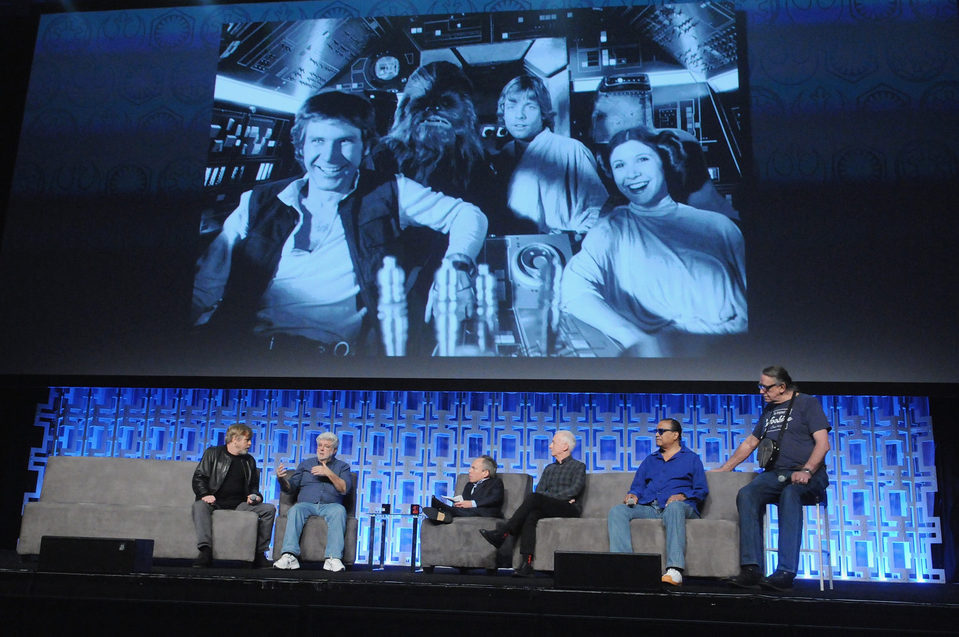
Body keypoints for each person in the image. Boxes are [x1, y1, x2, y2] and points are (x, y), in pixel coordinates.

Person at [192, 90, 487, 356]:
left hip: (329, 360)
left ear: (365, 147)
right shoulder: (257, 201)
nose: (330, 157)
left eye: (344, 141)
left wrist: (458, 264)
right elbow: (203, 290)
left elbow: (468, 215)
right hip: (244, 353)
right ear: (301, 146)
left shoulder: (390, 192)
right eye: (318, 141)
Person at [561, 126, 747, 357]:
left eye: (642, 159)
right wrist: (634, 338)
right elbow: (574, 291)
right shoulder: (611, 229)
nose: (632, 174)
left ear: (665, 162)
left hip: (730, 359)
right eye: (620, 165)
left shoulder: (719, 226)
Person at [716, 365, 831, 591]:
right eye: (760, 386)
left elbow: (823, 443)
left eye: (765, 387)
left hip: (809, 475)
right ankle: (752, 568)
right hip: (775, 474)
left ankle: (785, 572)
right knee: (747, 493)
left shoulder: (808, 403)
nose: (761, 391)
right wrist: (725, 468)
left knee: (790, 494)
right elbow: (750, 443)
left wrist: (807, 470)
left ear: (781, 386)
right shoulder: (769, 410)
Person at [489, 74, 608, 235]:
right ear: (503, 111)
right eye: (511, 107)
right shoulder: (504, 155)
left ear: (543, 112)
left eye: (530, 107)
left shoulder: (571, 150)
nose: (519, 115)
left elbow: (599, 209)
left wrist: (573, 236)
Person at [607, 418, 708, 586]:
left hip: (682, 507)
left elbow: (701, 490)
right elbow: (637, 486)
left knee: (674, 507)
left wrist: (682, 496)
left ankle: (675, 570)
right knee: (618, 511)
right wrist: (633, 495)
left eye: (661, 431)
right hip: (651, 507)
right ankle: (623, 566)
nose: (657, 434)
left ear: (675, 435)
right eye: (656, 431)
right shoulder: (650, 459)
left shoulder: (691, 459)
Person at [479, 430, 586, 577]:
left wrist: (550, 498)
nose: (550, 446)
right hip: (553, 504)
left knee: (534, 498)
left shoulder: (578, 466)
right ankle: (526, 563)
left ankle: (504, 532)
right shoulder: (549, 468)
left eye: (554, 442)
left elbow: (574, 490)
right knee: (531, 514)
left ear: (565, 446)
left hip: (570, 508)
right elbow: (541, 491)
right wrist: (551, 499)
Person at [191, 424, 275, 568]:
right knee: (199, 505)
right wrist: (205, 494)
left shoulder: (249, 461)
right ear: (235, 439)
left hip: (240, 504)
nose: (249, 444)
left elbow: (254, 487)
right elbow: (199, 477)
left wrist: (255, 496)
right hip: (214, 502)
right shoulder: (213, 453)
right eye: (247, 440)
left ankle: (260, 553)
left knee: (269, 509)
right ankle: (205, 551)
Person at [273, 432, 353, 572]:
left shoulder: (342, 467)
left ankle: (333, 558)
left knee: (339, 511)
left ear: (334, 450)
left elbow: (344, 489)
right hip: (306, 504)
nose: (321, 449)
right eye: (319, 445)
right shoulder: (305, 464)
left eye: (326, 446)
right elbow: (290, 488)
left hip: (331, 505)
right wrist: (281, 480)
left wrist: (328, 472)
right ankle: (289, 556)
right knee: (295, 510)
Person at [423, 455, 504, 523]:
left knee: (472, 511)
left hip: (487, 512)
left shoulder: (495, 482)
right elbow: (466, 502)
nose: (469, 471)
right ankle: (444, 516)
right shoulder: (469, 485)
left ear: (485, 473)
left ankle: (445, 510)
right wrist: (459, 503)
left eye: (473, 468)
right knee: (462, 510)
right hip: (469, 512)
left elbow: (494, 498)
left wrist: (472, 503)